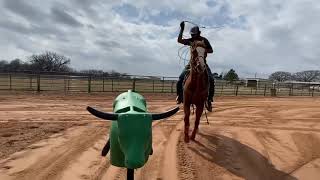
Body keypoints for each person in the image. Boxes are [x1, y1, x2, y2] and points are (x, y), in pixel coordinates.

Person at [176, 21, 215, 112]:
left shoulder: (204, 40)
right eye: (192, 35)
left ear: (198, 33)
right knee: (180, 78)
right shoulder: (191, 40)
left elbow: (211, 50)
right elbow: (179, 40)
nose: (193, 37)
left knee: (212, 80)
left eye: (194, 35)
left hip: (203, 63)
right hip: (191, 64)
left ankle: (209, 100)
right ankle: (180, 96)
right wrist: (182, 29)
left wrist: (203, 49)